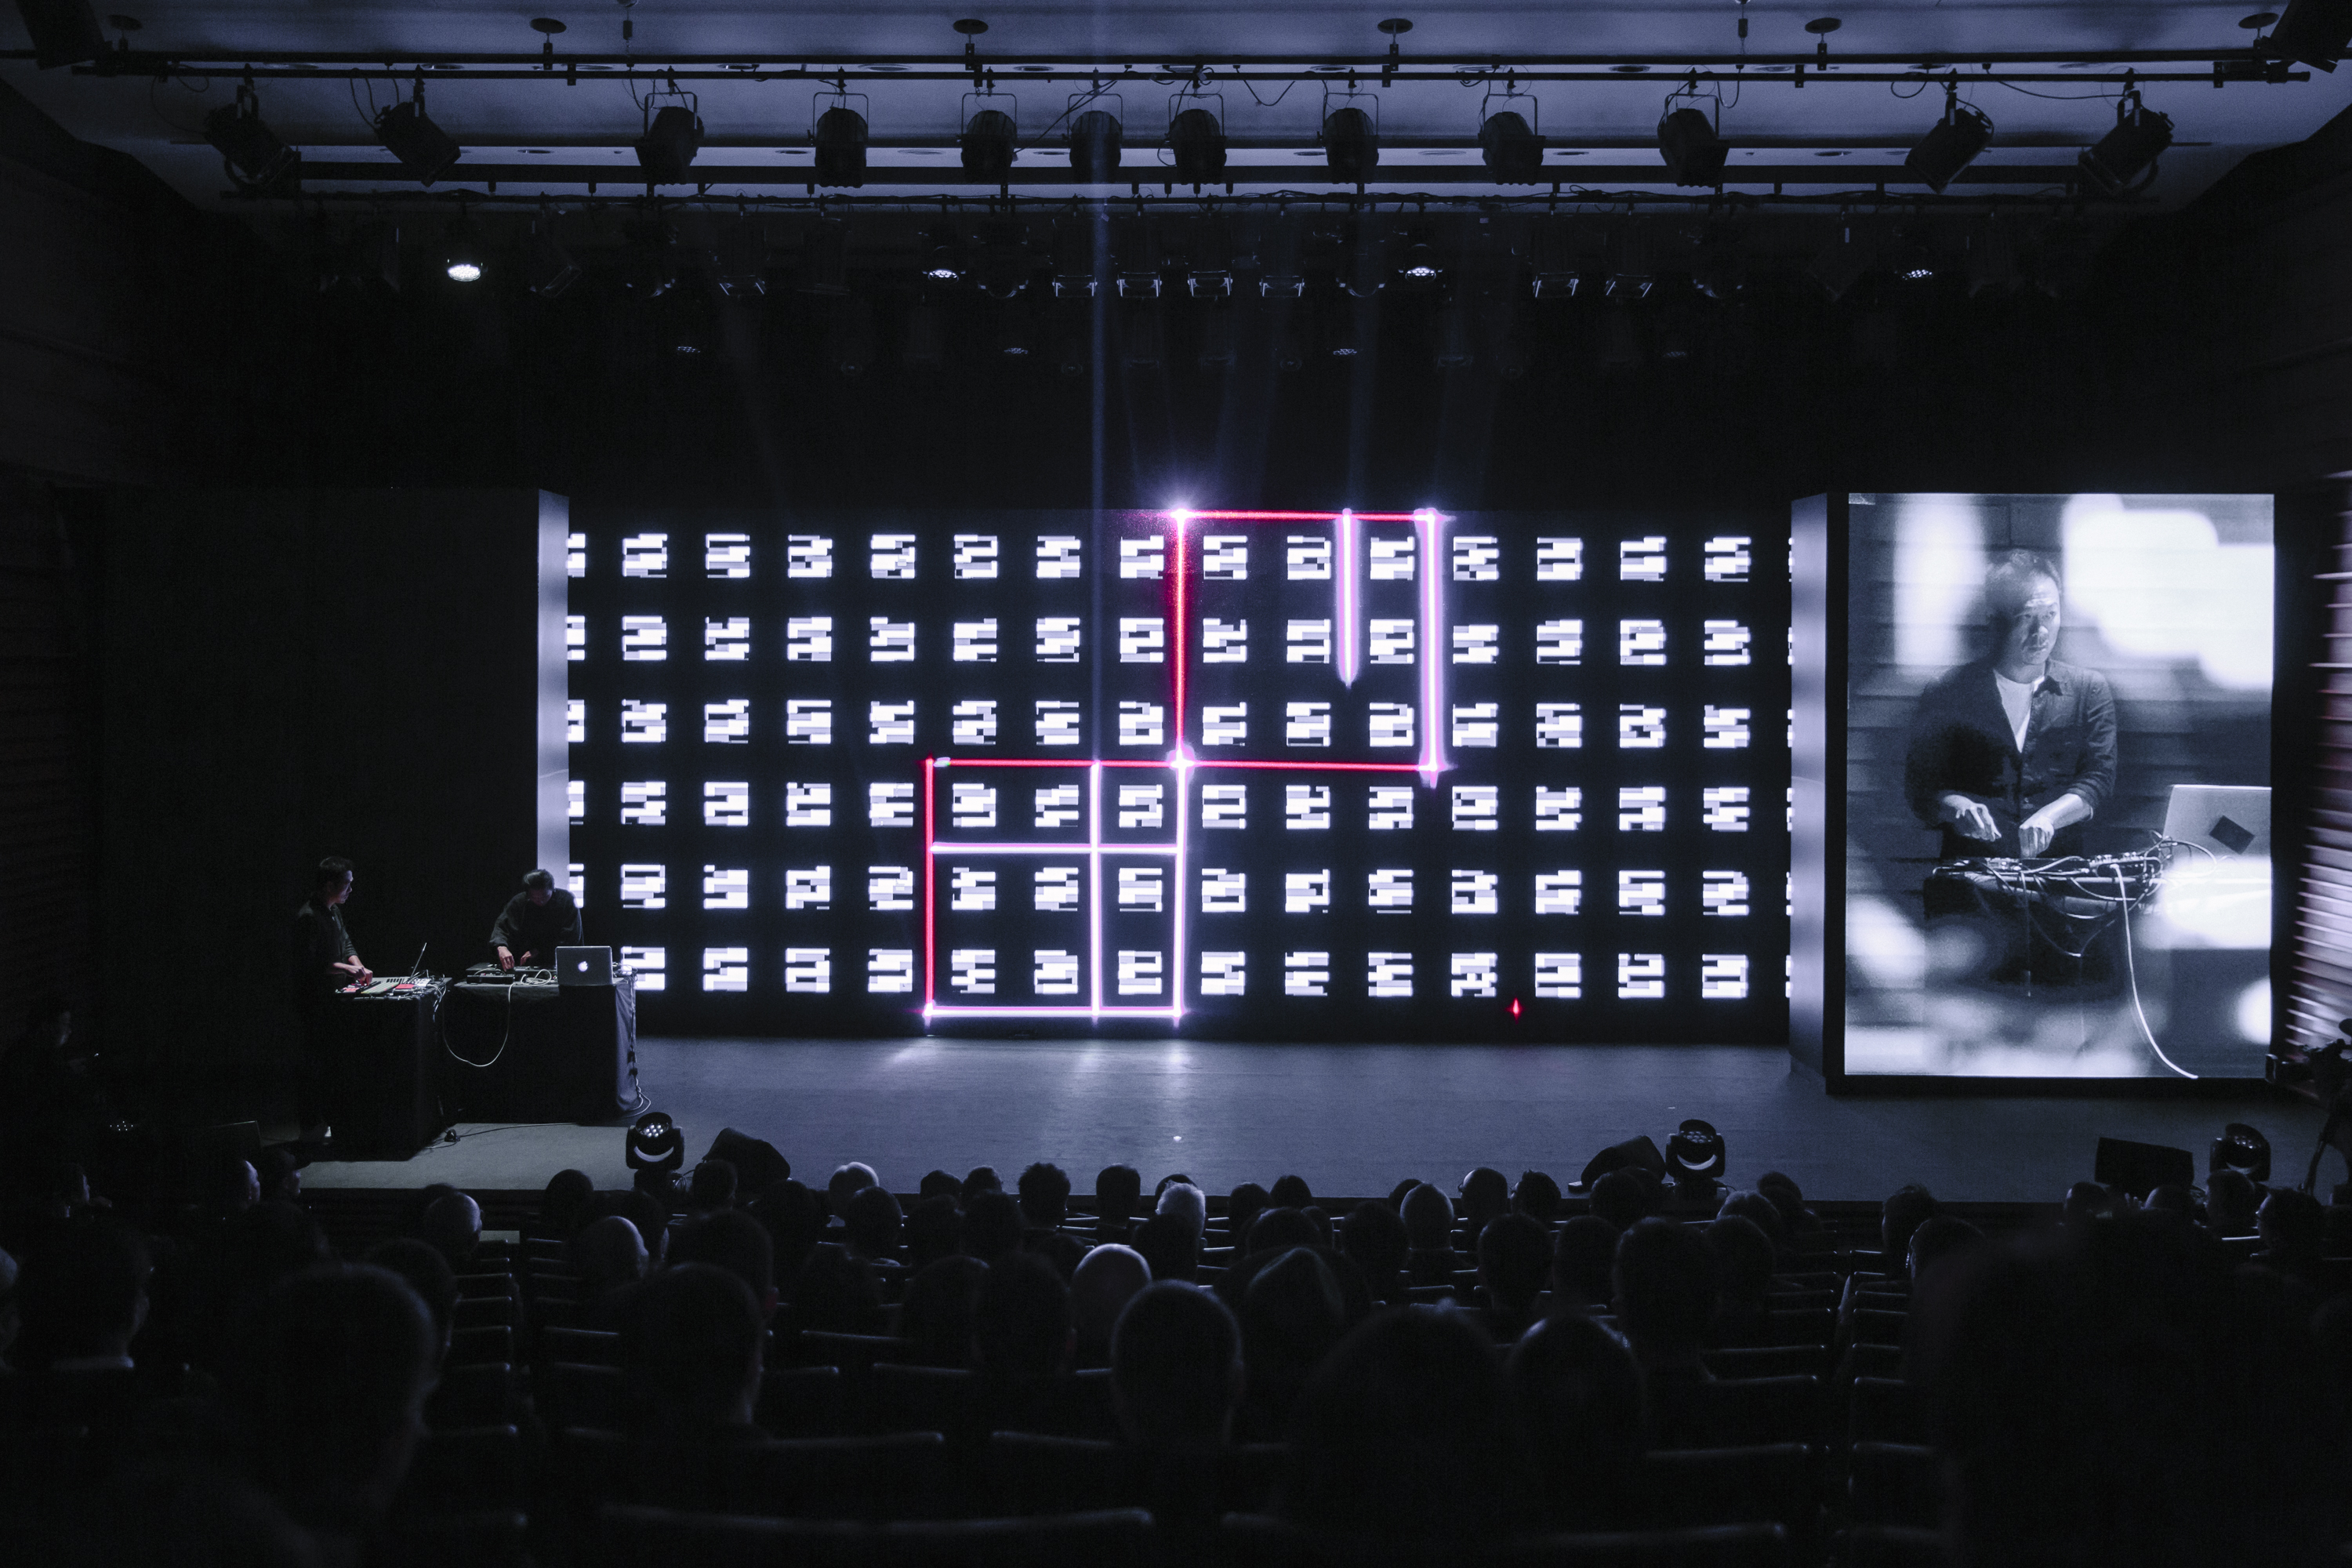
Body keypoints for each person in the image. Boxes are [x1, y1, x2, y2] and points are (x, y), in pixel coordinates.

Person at [1904, 549, 2118, 865]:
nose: (2041, 632)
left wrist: (2049, 817)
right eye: (2026, 617)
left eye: (2050, 615)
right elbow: (1923, 787)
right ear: (1995, 619)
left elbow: (2098, 779)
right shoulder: (1948, 691)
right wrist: (1959, 806)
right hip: (1974, 875)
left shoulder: (2088, 690)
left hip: (2058, 875)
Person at [289, 857, 368, 1144]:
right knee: (315, 1067)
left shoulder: (333, 911)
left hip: (332, 1001)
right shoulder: (309, 917)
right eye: (347, 884)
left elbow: (345, 942)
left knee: (334, 1065)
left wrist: (357, 964)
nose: (350, 889)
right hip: (314, 1004)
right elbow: (310, 964)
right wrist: (348, 969)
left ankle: (330, 1122)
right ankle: (311, 1128)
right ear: (329, 885)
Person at [489, 867, 581, 971]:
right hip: (523, 963)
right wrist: (501, 947)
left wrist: (540, 951)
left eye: (545, 896)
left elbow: (571, 938)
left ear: (553, 889)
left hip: (559, 962)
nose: (540, 901)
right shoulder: (519, 901)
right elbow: (501, 927)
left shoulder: (566, 901)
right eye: (535, 898)